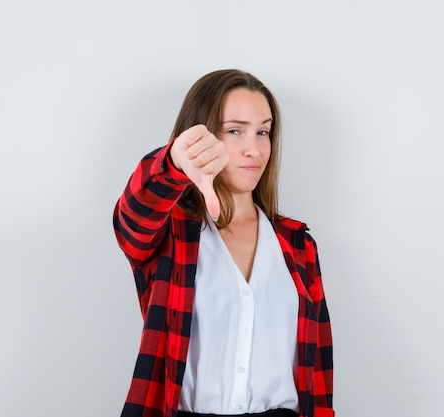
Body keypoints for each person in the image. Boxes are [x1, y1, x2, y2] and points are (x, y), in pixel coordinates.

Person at [113, 69, 334, 417]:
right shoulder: (170, 233)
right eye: (235, 131)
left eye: (263, 131)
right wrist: (173, 163)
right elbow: (131, 219)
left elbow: (318, 376)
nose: (254, 149)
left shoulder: (298, 246)